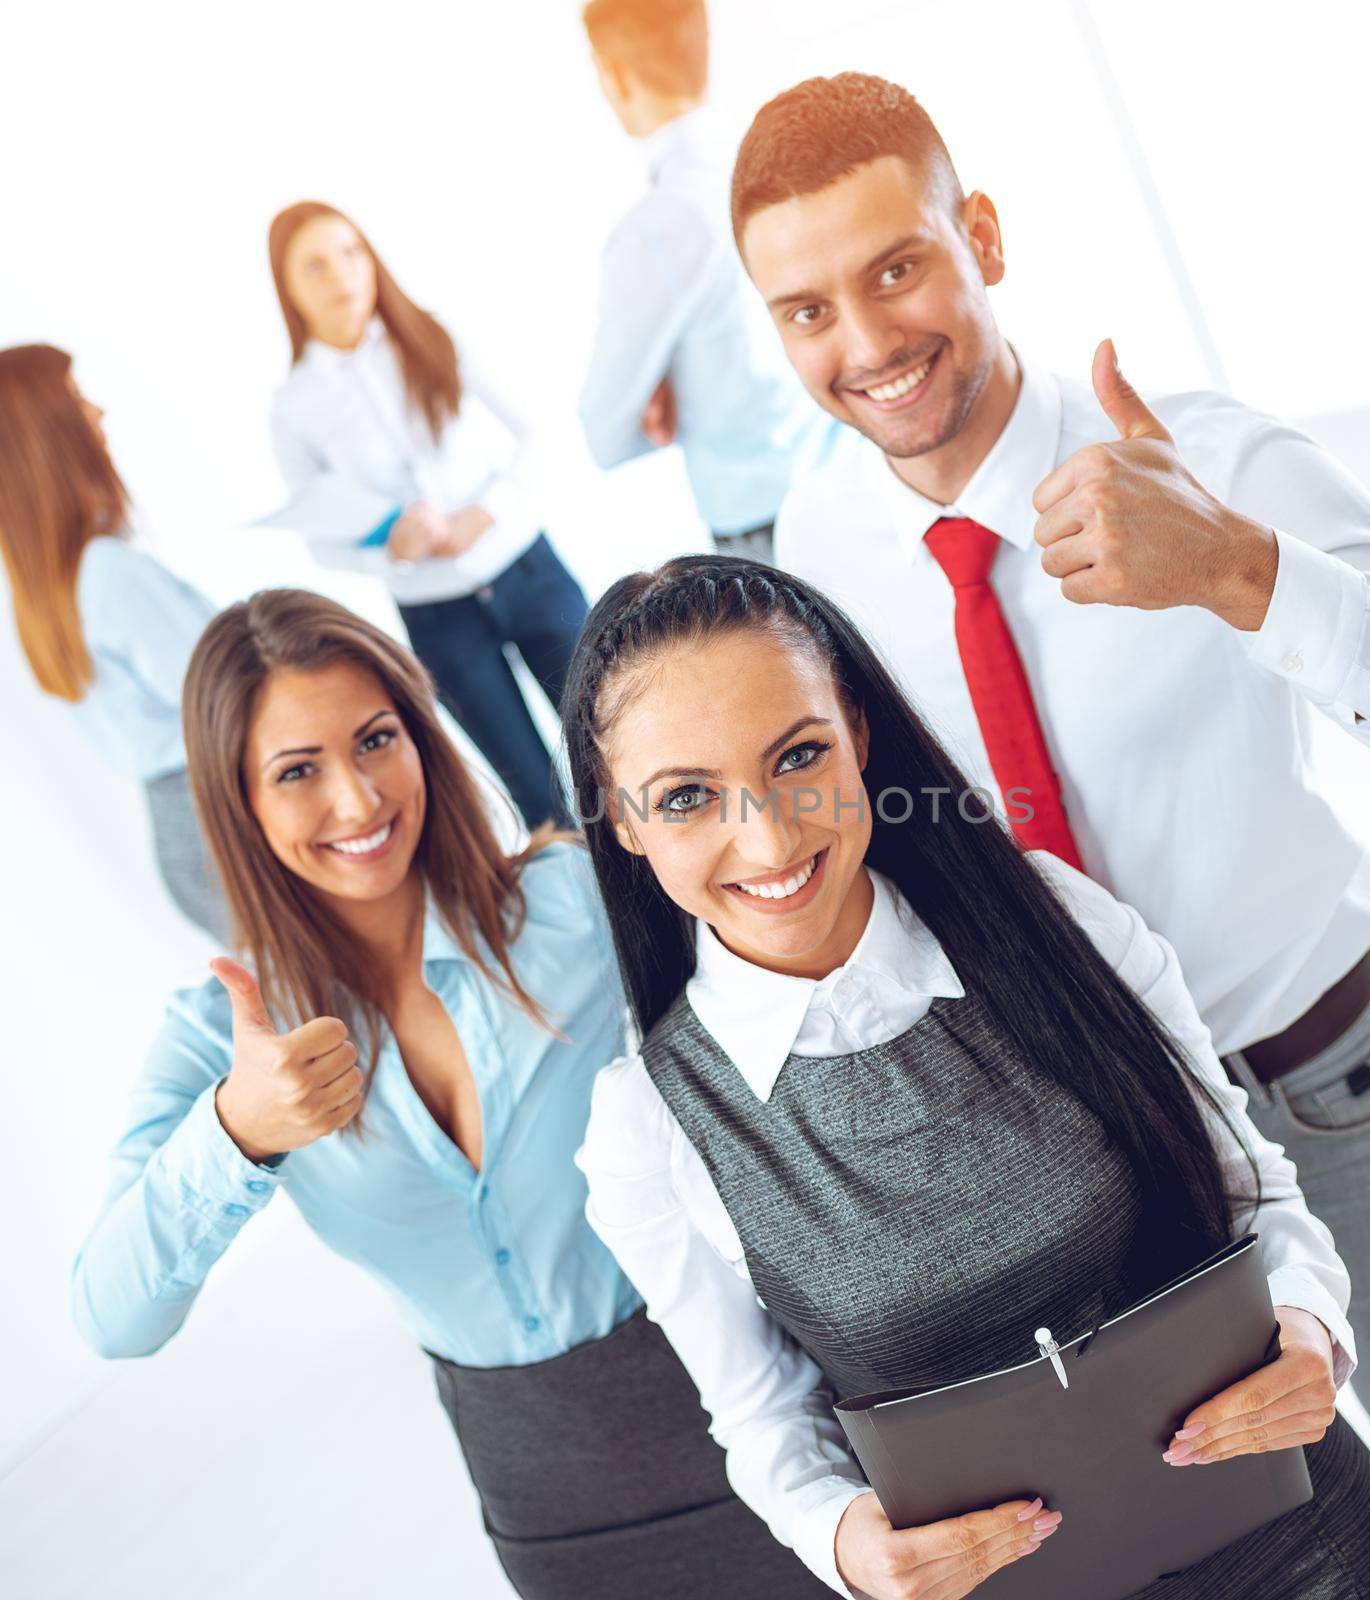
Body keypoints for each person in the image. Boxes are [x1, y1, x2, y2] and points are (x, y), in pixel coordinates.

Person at [731, 74, 1370, 1600]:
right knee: (1245, 1528)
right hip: (1080, 1143)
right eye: (806, 310)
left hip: (1321, 1081)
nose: (864, 345)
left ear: (981, 237)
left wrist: (1246, 572)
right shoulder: (822, 555)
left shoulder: (1211, 462)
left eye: (895, 268)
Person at [568, 554, 1370, 1600]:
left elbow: (1253, 1194)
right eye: (685, 798)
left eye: (798, 755)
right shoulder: (651, 1127)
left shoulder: (1052, 921)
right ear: (619, 819)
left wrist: (1307, 1326)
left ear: (856, 729)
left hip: (1308, 1544)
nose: (765, 833)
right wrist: (848, 1544)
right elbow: (763, 1418)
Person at [69, 588, 829, 1600]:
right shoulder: (218, 1035)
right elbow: (112, 1318)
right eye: (298, 771)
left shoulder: (577, 905)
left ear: (422, 737)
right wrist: (234, 1134)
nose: (357, 799)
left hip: (752, 1402)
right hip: (546, 1499)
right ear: (239, 802)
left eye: (376, 739)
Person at [263, 200, 585, 831]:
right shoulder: (292, 407)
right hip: (440, 621)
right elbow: (320, 541)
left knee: (623, 744)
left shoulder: (434, 333)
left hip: (529, 573)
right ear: (289, 288)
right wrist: (396, 550)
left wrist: (487, 513)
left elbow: (538, 431)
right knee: (539, 803)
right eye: (317, 267)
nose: (342, 277)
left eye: (352, 255)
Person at [578, 0, 833, 565]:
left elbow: (604, 435)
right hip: (850, 476)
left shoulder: (656, 228)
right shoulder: (785, 168)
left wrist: (670, 392)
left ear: (612, 73)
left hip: (765, 529)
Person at [0, 343, 227, 944]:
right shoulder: (108, 574)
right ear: (45, 439)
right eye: (77, 401)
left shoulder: (49, 589)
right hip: (218, 820)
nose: (99, 413)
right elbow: (230, 697)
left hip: (182, 831)